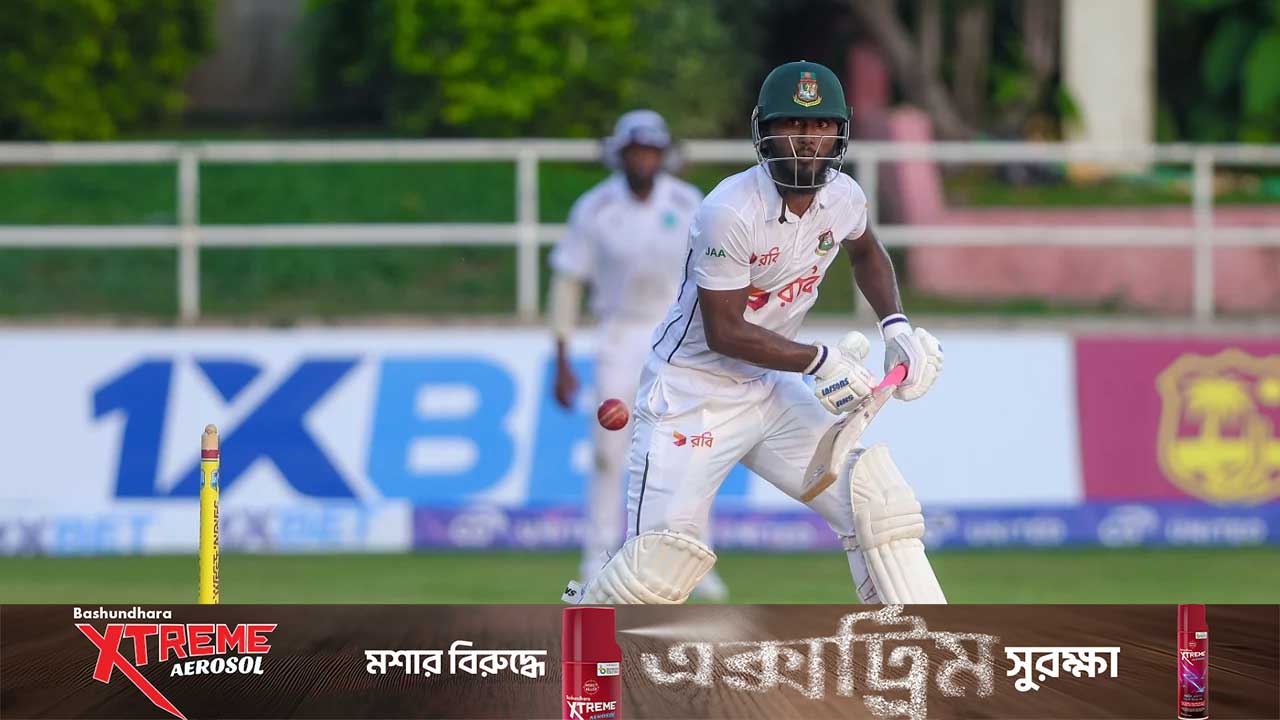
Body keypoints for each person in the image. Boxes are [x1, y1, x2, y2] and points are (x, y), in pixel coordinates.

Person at [563, 62, 947, 605]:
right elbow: (724, 332)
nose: (807, 139)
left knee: (878, 504)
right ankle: (585, 646)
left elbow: (866, 252)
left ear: (840, 132)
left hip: (768, 387)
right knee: (655, 565)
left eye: (821, 125)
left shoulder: (844, 196)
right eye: (792, 123)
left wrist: (896, 326)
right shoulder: (729, 210)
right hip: (693, 393)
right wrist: (821, 361)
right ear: (764, 131)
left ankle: (920, 648)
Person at [548, 110, 729, 601]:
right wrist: (561, 356)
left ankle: (693, 557)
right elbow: (567, 281)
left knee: (690, 449)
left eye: (651, 151)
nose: (643, 159)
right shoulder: (596, 207)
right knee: (610, 450)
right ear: (621, 154)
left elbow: (715, 272)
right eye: (635, 151)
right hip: (619, 335)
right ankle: (597, 555)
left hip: (679, 334)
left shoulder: (687, 201)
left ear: (663, 154)